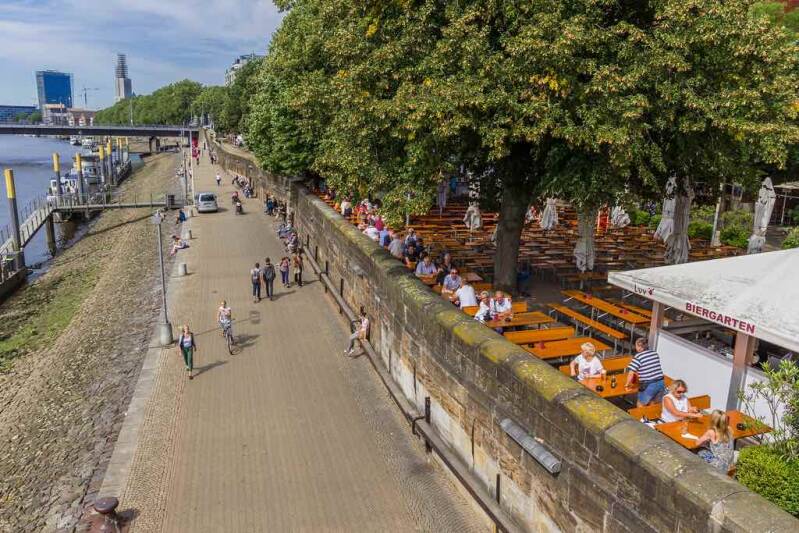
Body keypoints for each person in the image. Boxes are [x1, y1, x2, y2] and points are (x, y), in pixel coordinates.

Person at [625, 338, 666, 406]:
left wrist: (627, 384)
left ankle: (640, 417)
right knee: (652, 403)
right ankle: (648, 416)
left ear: (639, 347)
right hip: (661, 382)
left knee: (640, 403)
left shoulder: (638, 356)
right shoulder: (655, 353)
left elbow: (631, 373)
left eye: (636, 345)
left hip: (649, 385)